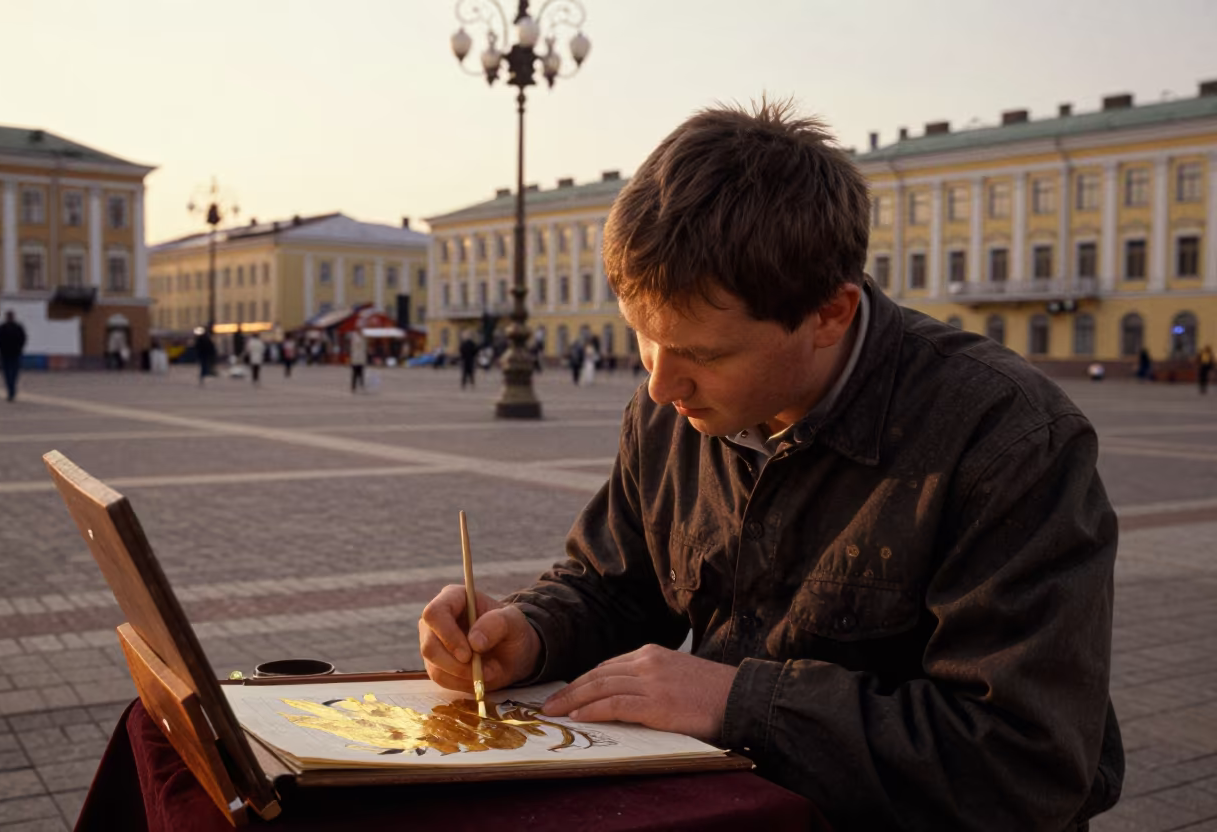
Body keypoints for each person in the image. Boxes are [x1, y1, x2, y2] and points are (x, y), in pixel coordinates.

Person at [418, 101, 1122, 830]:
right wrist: (527, 634)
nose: (661, 384)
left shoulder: (1006, 439)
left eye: (705, 354)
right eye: (644, 339)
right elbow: (614, 587)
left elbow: (1023, 764)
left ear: (830, 315)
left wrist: (736, 703)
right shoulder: (670, 411)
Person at [0, 311, 26, 402]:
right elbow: (23, 339)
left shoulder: (2, 328)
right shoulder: (18, 327)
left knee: (8, 374)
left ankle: (11, 390)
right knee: (13, 373)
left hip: (6, 353)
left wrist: (0, 349)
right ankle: (12, 390)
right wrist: (19, 349)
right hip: (13, 353)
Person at [349, 329, 368, 393]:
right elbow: (355, 346)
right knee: (355, 374)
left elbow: (364, 347)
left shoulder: (363, 338)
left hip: (361, 359)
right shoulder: (355, 337)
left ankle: (361, 386)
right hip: (355, 359)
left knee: (361, 374)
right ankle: (353, 387)